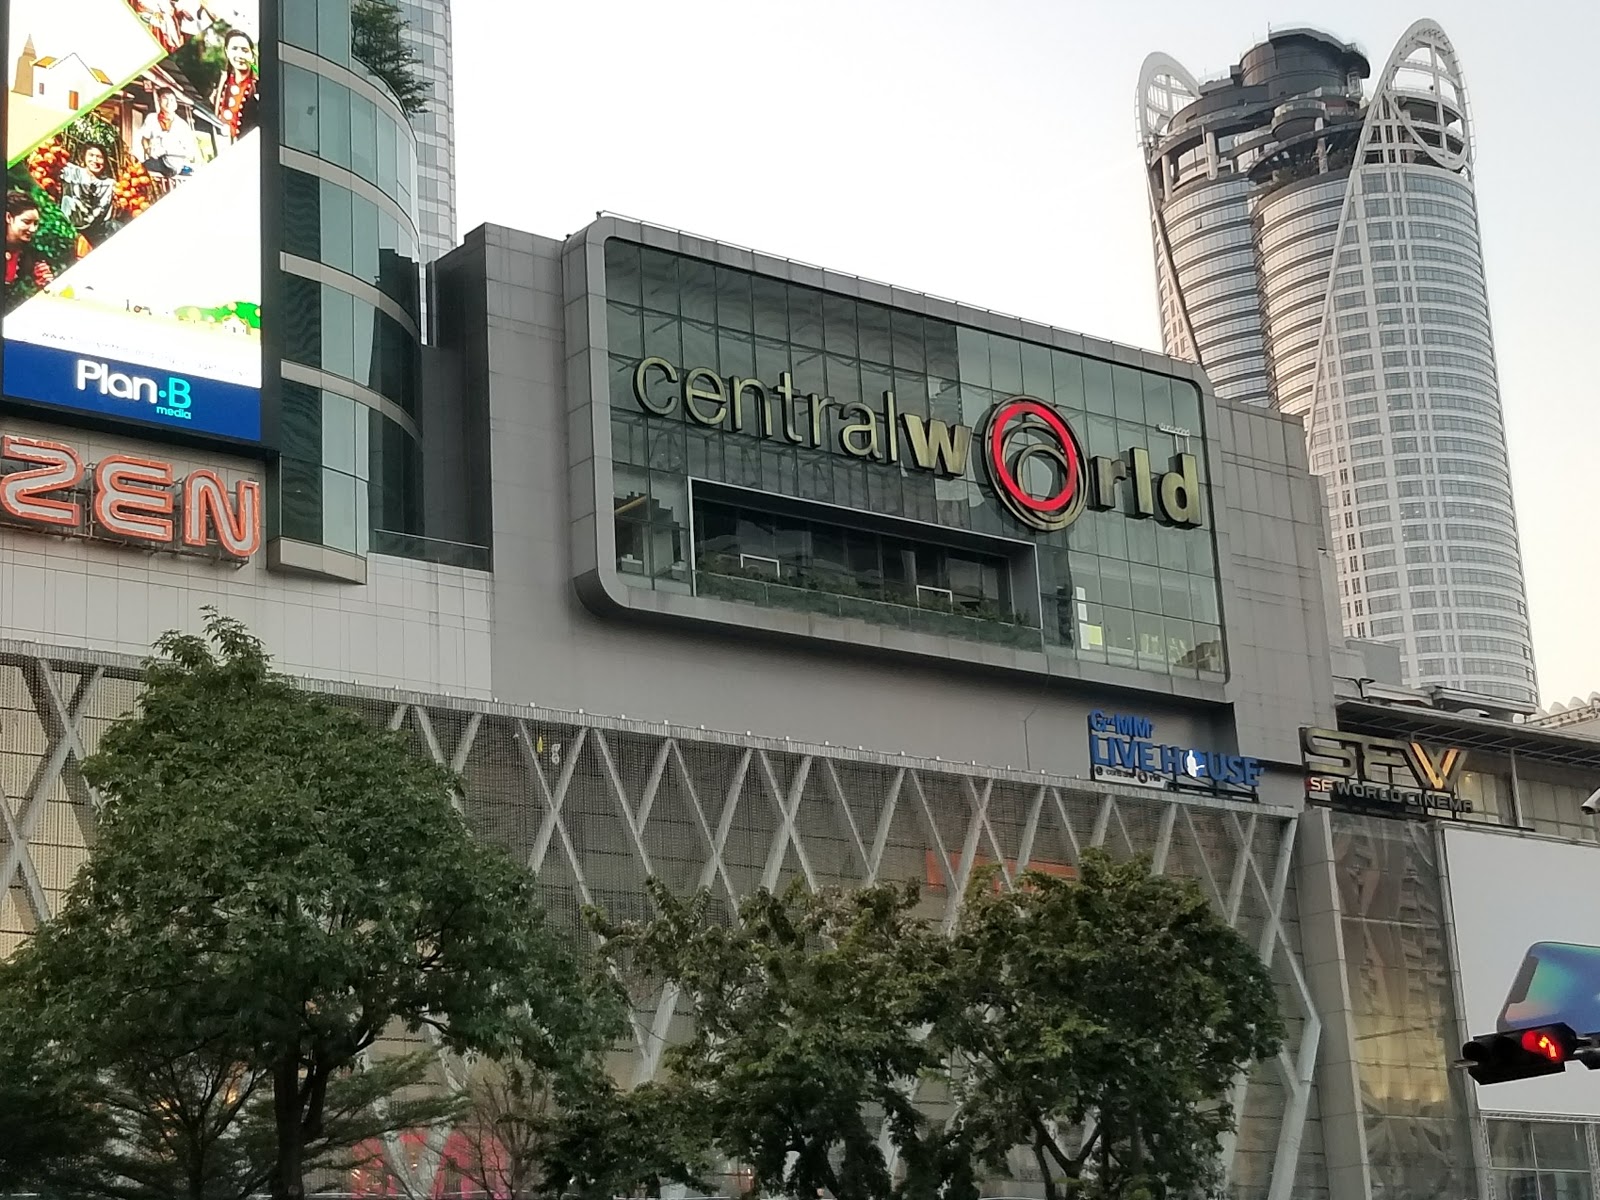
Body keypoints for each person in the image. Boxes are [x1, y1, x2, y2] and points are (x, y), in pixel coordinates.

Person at [58, 144, 117, 248]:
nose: (95, 160)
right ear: (84, 158)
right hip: (67, 231)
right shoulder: (72, 172)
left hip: (94, 238)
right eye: (91, 155)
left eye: (99, 157)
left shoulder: (110, 184)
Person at [5, 191, 53, 308]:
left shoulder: (29, 254)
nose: (32, 229)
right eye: (26, 222)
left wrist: (43, 284)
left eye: (36, 223)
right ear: (9, 218)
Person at [210, 29, 258, 142]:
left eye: (244, 50)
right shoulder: (221, 81)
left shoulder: (258, 87)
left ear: (252, 55)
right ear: (227, 52)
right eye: (234, 49)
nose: (239, 55)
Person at [137, 89, 199, 178]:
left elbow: (190, 152)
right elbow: (145, 138)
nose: (169, 103)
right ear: (158, 100)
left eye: (172, 100)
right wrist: (148, 150)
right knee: (138, 170)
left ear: (176, 104)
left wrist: (166, 151)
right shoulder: (151, 118)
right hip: (156, 161)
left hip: (174, 164)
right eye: (165, 99)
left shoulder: (182, 125)